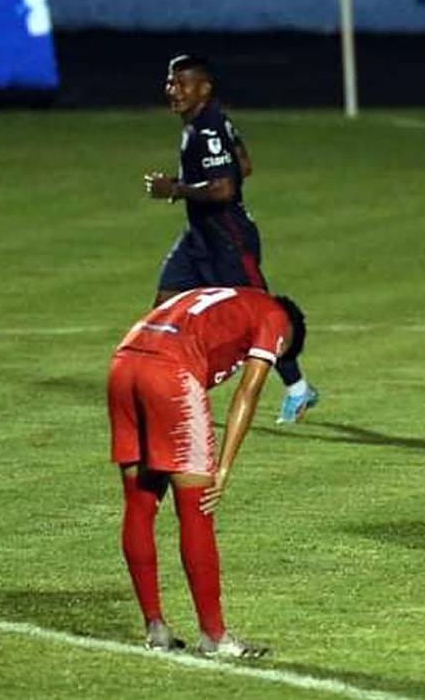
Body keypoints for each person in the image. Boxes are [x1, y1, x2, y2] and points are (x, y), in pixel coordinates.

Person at [108, 285, 308, 657]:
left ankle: (155, 628)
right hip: (169, 374)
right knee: (197, 508)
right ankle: (214, 636)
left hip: (124, 363)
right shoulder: (275, 318)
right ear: (285, 344)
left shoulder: (225, 297)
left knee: (139, 503)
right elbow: (248, 393)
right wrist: (224, 467)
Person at [142, 54, 318, 424]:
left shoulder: (208, 129)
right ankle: (157, 384)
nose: (173, 90)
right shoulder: (209, 122)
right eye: (171, 82)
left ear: (204, 89)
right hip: (199, 236)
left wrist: (174, 189)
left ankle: (299, 388)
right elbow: (245, 164)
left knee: (262, 316)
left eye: (182, 84)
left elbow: (223, 189)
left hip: (228, 239)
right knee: (164, 305)